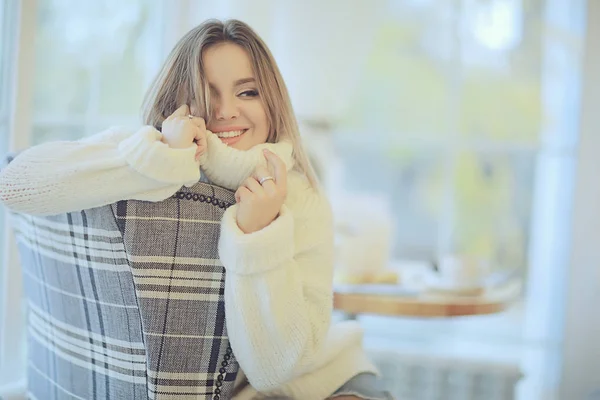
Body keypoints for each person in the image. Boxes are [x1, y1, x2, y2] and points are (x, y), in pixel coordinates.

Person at [0, 19, 392, 400]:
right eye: (206, 92)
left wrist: (257, 234)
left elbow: (277, 370)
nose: (225, 111)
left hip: (328, 376)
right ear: (176, 100)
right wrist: (160, 161)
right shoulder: (149, 153)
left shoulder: (300, 197)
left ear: (272, 102)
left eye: (247, 92)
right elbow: (13, 184)